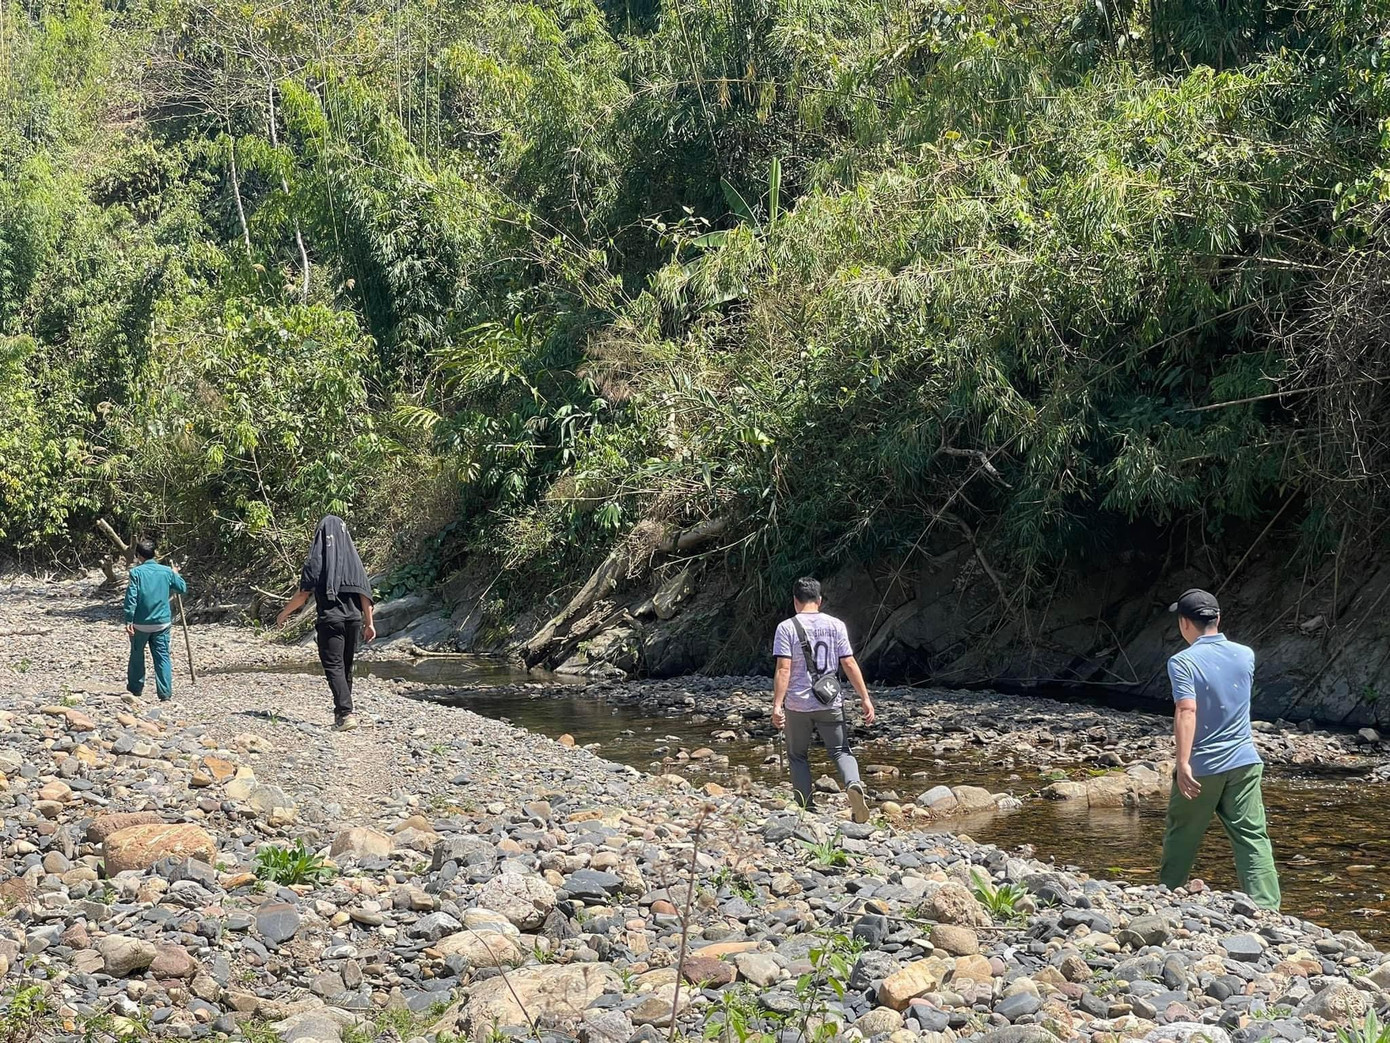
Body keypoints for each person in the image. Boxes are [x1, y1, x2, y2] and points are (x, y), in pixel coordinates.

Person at [1159, 588, 1281, 910]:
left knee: (1182, 834)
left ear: (1184, 623)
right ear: (1218, 619)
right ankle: (1268, 909)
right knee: (1252, 837)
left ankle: (1166, 896)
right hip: (1245, 761)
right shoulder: (1246, 655)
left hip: (1204, 765)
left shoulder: (1182, 662)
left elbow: (1187, 710)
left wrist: (1183, 762)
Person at [771, 576, 876, 821]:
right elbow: (849, 663)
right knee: (841, 750)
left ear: (795, 601)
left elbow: (783, 669)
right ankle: (853, 783)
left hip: (798, 704)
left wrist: (777, 705)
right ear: (819, 600)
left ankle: (806, 807)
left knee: (797, 755)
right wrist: (865, 698)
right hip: (830, 700)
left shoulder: (786, 627)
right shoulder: (836, 625)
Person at [275, 515, 376, 732]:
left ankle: (346, 713)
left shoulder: (317, 560)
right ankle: (342, 713)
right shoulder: (354, 561)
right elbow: (364, 594)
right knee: (346, 666)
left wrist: (284, 614)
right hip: (354, 620)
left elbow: (303, 594)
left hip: (330, 619)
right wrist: (370, 623)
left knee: (334, 667)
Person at [123, 538, 187, 703]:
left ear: (138, 556)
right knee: (162, 656)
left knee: (137, 655)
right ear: (155, 553)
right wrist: (175, 573)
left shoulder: (136, 573)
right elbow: (182, 587)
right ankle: (165, 693)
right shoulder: (166, 571)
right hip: (161, 623)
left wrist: (128, 619)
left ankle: (135, 689)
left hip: (140, 623)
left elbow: (131, 598)